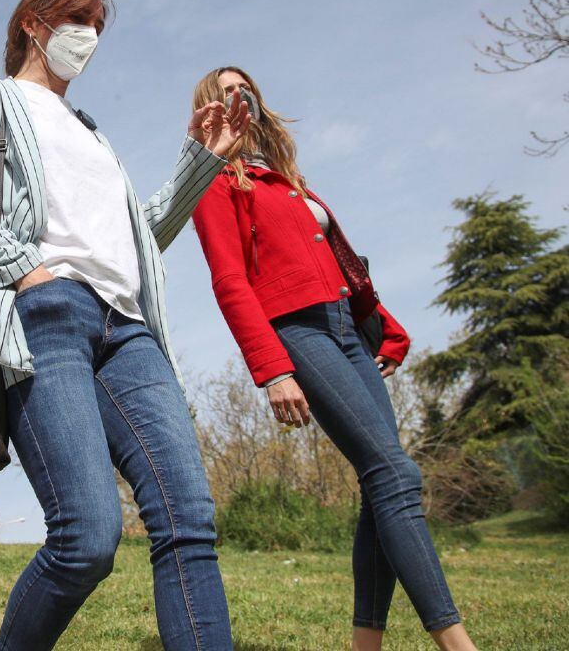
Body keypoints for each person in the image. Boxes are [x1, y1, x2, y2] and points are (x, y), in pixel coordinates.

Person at [0, 0, 249, 651]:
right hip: (47, 314)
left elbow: (137, 238)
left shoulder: (91, 133)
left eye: (99, 24)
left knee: (188, 522)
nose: (91, 37)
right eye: (79, 20)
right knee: (87, 538)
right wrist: (29, 272)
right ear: (34, 26)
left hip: (128, 329)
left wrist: (204, 163)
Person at [190, 67, 478, 651]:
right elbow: (229, 281)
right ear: (207, 106)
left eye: (245, 87)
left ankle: (363, 646)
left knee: (382, 482)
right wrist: (271, 368)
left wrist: (385, 328)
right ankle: (457, 644)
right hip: (296, 330)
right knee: (396, 474)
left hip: (346, 327)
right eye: (225, 90)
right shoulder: (213, 180)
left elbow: (339, 267)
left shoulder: (288, 180)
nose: (238, 96)